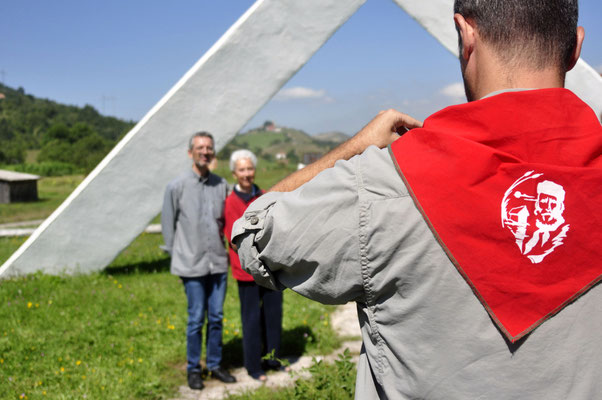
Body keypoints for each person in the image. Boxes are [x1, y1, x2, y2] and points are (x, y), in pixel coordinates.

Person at [232, 0, 602, 398]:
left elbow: (254, 237)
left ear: (465, 34)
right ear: (575, 47)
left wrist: (355, 149)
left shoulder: (382, 184)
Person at [161, 131, 236, 390]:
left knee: (216, 316)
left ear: (213, 153)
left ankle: (214, 364)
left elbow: (228, 221)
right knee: (195, 319)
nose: (205, 152)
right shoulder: (176, 186)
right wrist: (177, 256)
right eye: (200, 148)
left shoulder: (221, 185)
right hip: (191, 265)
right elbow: (168, 227)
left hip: (217, 262)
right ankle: (194, 368)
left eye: (209, 148)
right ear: (190, 152)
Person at [223, 149, 284, 382]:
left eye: (249, 168)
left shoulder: (264, 196)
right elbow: (233, 240)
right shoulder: (230, 203)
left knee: (273, 314)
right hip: (246, 271)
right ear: (234, 173)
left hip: (270, 268)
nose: (246, 174)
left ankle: (274, 359)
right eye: (242, 170)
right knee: (250, 319)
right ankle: (253, 366)